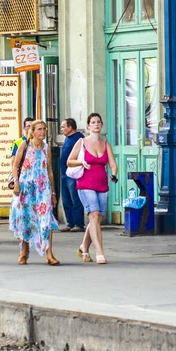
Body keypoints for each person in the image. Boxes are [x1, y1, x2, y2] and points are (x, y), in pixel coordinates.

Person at [67, 113, 118, 265]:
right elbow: (70, 161)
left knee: (96, 219)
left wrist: (114, 175)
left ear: (101, 125)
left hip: (102, 184)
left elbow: (113, 164)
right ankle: (99, 252)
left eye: (98, 122)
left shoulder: (105, 144)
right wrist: (81, 162)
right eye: (93, 122)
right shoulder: (81, 142)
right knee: (94, 215)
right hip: (85, 183)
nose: (96, 124)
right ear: (88, 126)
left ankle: (84, 247)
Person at [10, 119, 60, 265]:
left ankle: (49, 254)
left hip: (43, 188)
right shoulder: (25, 145)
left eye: (44, 129)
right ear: (32, 131)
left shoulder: (46, 147)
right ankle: (24, 250)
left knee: (46, 219)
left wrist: (53, 193)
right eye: (39, 129)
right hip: (26, 187)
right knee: (26, 217)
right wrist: (16, 183)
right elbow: (15, 166)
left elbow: (49, 170)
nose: (42, 132)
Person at [59, 118, 85, 232]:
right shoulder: (67, 138)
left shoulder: (79, 138)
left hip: (73, 173)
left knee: (75, 199)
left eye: (63, 127)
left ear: (70, 127)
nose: (62, 129)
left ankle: (79, 223)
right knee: (66, 199)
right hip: (64, 173)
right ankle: (70, 222)